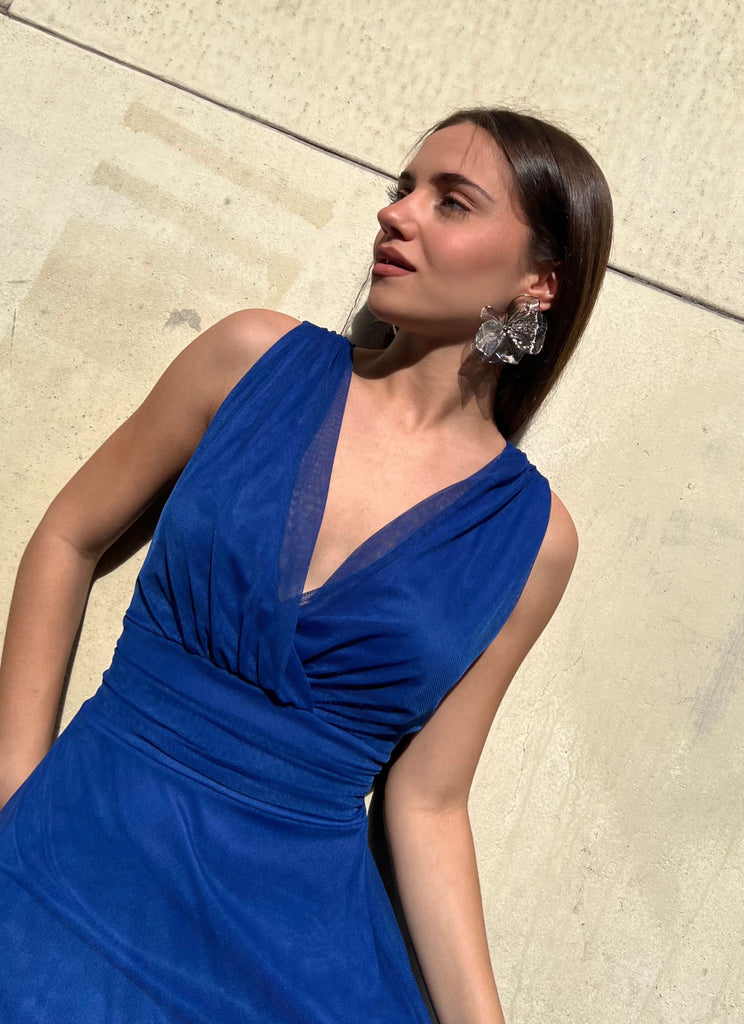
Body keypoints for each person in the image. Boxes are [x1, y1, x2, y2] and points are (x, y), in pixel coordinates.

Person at [0, 108, 612, 1023]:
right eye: (403, 188)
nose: (396, 214)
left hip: (289, 947)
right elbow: (68, 537)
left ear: (540, 281)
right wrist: (18, 791)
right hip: (74, 847)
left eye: (451, 202)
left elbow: (428, 800)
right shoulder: (249, 357)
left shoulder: (531, 539)